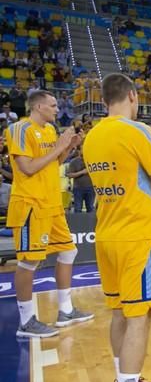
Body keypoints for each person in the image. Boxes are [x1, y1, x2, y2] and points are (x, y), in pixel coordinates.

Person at [83, 73, 151, 382]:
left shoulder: (93, 136)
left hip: (107, 232)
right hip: (138, 234)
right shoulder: (136, 131)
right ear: (133, 97)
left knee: (121, 312)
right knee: (140, 317)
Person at [7, 90, 93, 339]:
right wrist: (59, 147)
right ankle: (26, 321)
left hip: (52, 204)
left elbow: (54, 163)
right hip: (30, 204)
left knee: (69, 250)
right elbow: (28, 168)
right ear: (38, 107)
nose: (58, 109)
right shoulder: (19, 129)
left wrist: (69, 148)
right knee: (29, 261)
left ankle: (65, 310)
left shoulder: (49, 131)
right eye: (53, 105)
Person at [66, 147, 95, 212]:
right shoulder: (73, 162)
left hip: (91, 188)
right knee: (77, 208)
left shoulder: (92, 160)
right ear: (78, 151)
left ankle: (91, 222)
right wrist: (82, 172)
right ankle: (77, 222)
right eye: (82, 149)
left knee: (90, 208)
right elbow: (69, 175)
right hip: (78, 188)